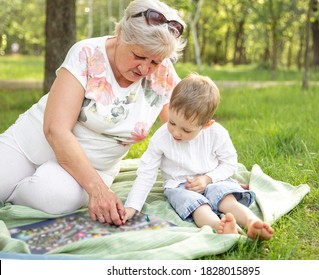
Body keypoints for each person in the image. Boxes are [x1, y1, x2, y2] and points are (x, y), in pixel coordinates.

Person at [0, 0, 186, 226]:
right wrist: (98, 191)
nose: (145, 69)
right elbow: (56, 129)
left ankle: (14, 194)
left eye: (155, 61)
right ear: (120, 35)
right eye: (138, 56)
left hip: (90, 169)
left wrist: (203, 171)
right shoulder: (86, 54)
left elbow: (184, 125)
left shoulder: (162, 72)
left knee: (55, 196)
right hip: (29, 144)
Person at [123, 73, 274, 239]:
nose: (176, 132)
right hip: (179, 185)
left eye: (186, 130)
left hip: (212, 179)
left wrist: (208, 178)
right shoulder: (161, 138)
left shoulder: (217, 134)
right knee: (197, 206)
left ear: (206, 125)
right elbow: (146, 172)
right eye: (172, 122)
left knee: (226, 198)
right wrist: (132, 206)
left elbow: (230, 163)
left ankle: (252, 222)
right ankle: (220, 226)